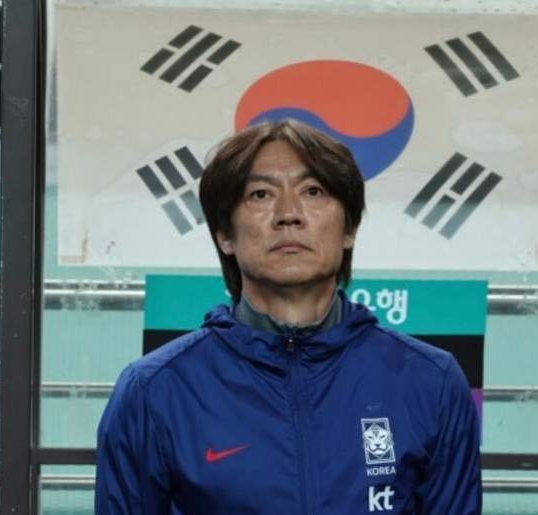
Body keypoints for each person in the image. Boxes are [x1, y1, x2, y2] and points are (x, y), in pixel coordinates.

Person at [95, 119, 482, 514]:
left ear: (349, 228)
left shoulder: (430, 381)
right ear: (224, 234)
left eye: (313, 191)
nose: (289, 214)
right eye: (260, 194)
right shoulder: (153, 390)